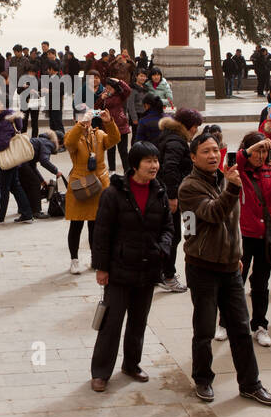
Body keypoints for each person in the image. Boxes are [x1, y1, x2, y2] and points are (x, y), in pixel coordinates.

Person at [177, 132, 271, 406]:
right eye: (206, 151)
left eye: (215, 150)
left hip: (231, 267)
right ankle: (202, 378)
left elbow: (232, 223)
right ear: (193, 157)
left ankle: (250, 383)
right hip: (202, 268)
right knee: (205, 329)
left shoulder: (224, 178)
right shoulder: (188, 187)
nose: (212, 155)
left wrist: (236, 253)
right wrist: (232, 189)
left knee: (241, 329)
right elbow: (211, 214)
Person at [89, 141, 173, 391]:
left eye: (156, 161)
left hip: (148, 268)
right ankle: (101, 371)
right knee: (111, 323)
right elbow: (101, 233)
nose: (154, 166)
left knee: (138, 321)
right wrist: (101, 268)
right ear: (135, 165)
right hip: (119, 269)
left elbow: (169, 227)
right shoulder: (113, 193)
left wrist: (163, 249)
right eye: (148, 161)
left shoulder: (159, 191)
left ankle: (131, 364)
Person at [234, 134, 271, 347]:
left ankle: (260, 325)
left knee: (260, 283)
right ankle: (227, 322)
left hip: (266, 236)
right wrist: (253, 147)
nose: (261, 155)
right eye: (257, 151)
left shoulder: (269, 171)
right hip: (244, 235)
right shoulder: (239, 170)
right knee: (236, 281)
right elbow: (238, 159)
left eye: (264, 151)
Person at [63, 105, 120, 273]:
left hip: (99, 183)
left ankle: (96, 259)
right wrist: (81, 125)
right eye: (81, 117)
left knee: (96, 225)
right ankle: (74, 259)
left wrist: (109, 122)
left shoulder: (99, 135)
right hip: (79, 184)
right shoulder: (73, 134)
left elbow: (115, 139)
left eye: (87, 116)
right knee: (76, 224)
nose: (86, 120)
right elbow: (69, 143)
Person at [155, 108, 200, 293]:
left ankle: (161, 273)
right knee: (173, 236)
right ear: (188, 126)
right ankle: (168, 275)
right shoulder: (176, 142)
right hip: (170, 196)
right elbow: (170, 168)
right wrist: (172, 196)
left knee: (168, 235)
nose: (197, 130)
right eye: (196, 126)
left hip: (165, 194)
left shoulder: (170, 136)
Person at [0, 109, 35, 224]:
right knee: (15, 186)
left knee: (4, 188)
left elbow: (4, 142)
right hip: (14, 159)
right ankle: (27, 213)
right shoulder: (12, 118)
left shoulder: (5, 121)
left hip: (8, 159)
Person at [89, 70, 131, 172]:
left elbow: (128, 90)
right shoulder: (102, 97)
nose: (108, 90)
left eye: (110, 88)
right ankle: (112, 170)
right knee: (110, 150)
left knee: (123, 151)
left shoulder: (120, 95)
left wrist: (119, 81)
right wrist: (101, 99)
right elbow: (95, 110)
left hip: (121, 126)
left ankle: (127, 170)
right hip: (108, 126)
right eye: (107, 87)